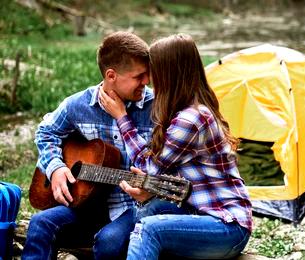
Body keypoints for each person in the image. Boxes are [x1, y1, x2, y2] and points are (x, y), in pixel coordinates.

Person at [99, 33, 253, 260]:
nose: (149, 80)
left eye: (154, 71)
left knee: (149, 230)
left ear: (169, 73)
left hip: (226, 226)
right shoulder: (187, 110)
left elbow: (149, 166)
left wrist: (122, 118)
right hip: (198, 215)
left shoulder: (192, 119)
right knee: (146, 212)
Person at [22, 31, 153, 260]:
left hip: (132, 207)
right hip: (86, 202)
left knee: (108, 242)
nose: (146, 81)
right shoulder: (78, 105)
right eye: (139, 76)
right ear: (111, 75)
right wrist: (56, 167)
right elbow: (45, 132)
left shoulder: (156, 108)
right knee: (40, 223)